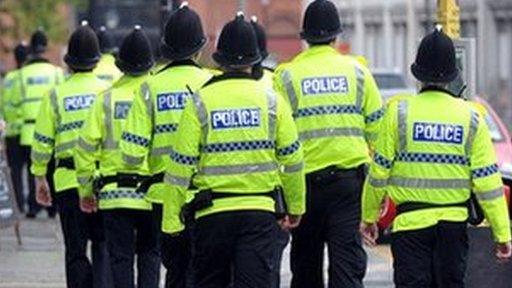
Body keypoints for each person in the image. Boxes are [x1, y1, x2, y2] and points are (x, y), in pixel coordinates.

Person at [360, 27, 512, 288]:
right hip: (453, 229)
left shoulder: (398, 113)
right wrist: (502, 233)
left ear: (418, 73)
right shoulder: (471, 117)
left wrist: (368, 217)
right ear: (454, 73)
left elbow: (378, 174)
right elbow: (488, 184)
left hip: (410, 229)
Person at [162, 12, 306, 287]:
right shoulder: (273, 101)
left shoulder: (200, 101)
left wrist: (172, 220)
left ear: (221, 59)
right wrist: (296, 206)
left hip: (212, 216)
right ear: (255, 61)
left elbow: (180, 165)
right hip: (259, 214)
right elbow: (293, 159)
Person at [273, 0, 383, 287]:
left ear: (305, 37)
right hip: (349, 187)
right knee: (346, 268)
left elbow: (276, 139)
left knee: (306, 269)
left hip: (303, 186)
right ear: (337, 36)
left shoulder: (285, 75)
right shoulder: (359, 74)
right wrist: (377, 192)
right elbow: (379, 136)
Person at [120, 2, 212, 287]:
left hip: (162, 195)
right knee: (204, 271)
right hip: (206, 197)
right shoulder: (212, 83)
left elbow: (131, 153)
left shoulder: (150, 87)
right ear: (199, 48)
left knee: (174, 270)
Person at [76, 25, 160, 288]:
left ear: (120, 65)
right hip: (151, 193)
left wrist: (86, 190)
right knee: (150, 256)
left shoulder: (105, 100)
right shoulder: (155, 97)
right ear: (150, 64)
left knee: (120, 260)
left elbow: (85, 147)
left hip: (114, 194)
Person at [32, 22, 112, 288]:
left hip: (67, 182)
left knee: (75, 250)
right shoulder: (106, 93)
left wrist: (39, 178)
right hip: (102, 181)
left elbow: (43, 141)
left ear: (69, 62)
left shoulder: (55, 96)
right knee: (102, 246)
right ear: (97, 60)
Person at [250, 15, 289, 288]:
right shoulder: (274, 85)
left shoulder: (212, 89)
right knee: (268, 268)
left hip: (218, 200)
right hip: (269, 196)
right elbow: (290, 148)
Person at [19, 29, 64, 218]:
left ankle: (34, 206)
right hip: (53, 130)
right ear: (46, 48)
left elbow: (16, 103)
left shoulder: (22, 74)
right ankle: (53, 206)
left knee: (33, 170)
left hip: (29, 130)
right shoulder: (56, 73)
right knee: (52, 168)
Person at [1, 43, 28, 212]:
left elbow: (3, 104)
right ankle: (34, 203)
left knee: (15, 171)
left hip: (12, 131)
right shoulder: (26, 77)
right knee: (32, 171)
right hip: (27, 131)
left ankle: (19, 203)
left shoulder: (9, 78)